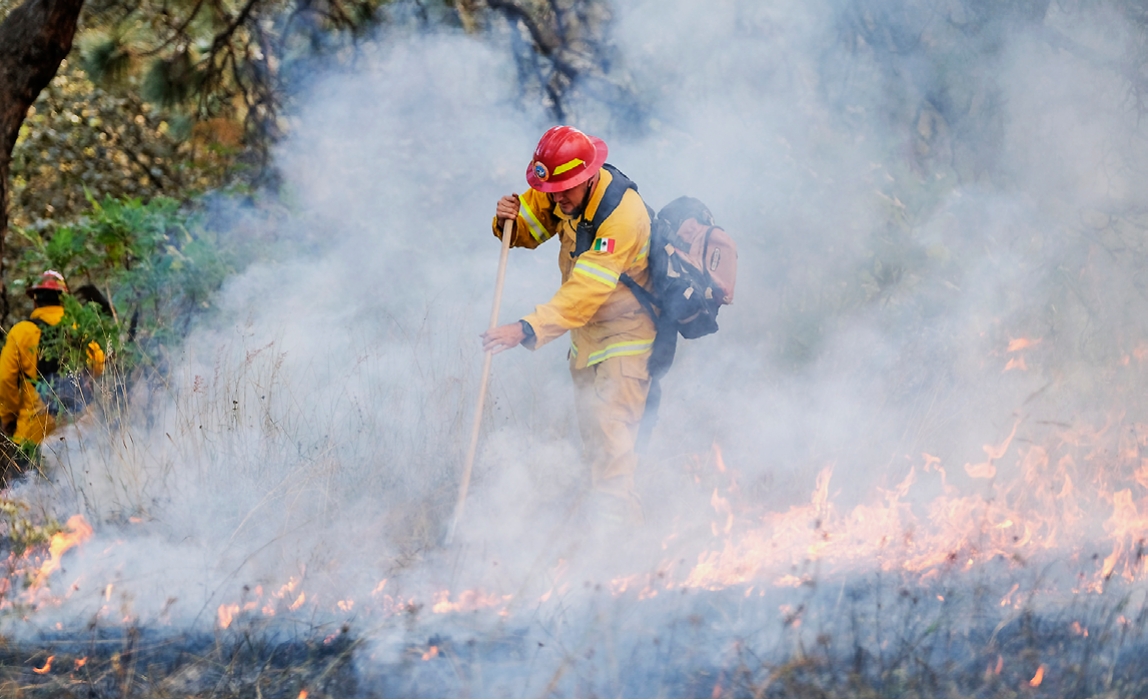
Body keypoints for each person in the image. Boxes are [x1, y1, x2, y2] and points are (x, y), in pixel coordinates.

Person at [482, 126, 655, 526]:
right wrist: (506, 219)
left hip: (627, 340)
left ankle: (614, 551)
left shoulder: (623, 217)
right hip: (586, 339)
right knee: (596, 446)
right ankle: (608, 536)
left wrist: (525, 328)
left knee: (612, 447)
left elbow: (585, 293)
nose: (557, 199)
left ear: (589, 176)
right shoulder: (559, 187)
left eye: (566, 191)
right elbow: (526, 232)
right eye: (552, 191)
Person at [0, 270, 106, 450]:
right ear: (64, 299)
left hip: (33, 435)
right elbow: (98, 364)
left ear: (35, 300)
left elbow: (5, 380)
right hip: (79, 431)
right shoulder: (77, 328)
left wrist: (8, 418)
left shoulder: (21, 332)